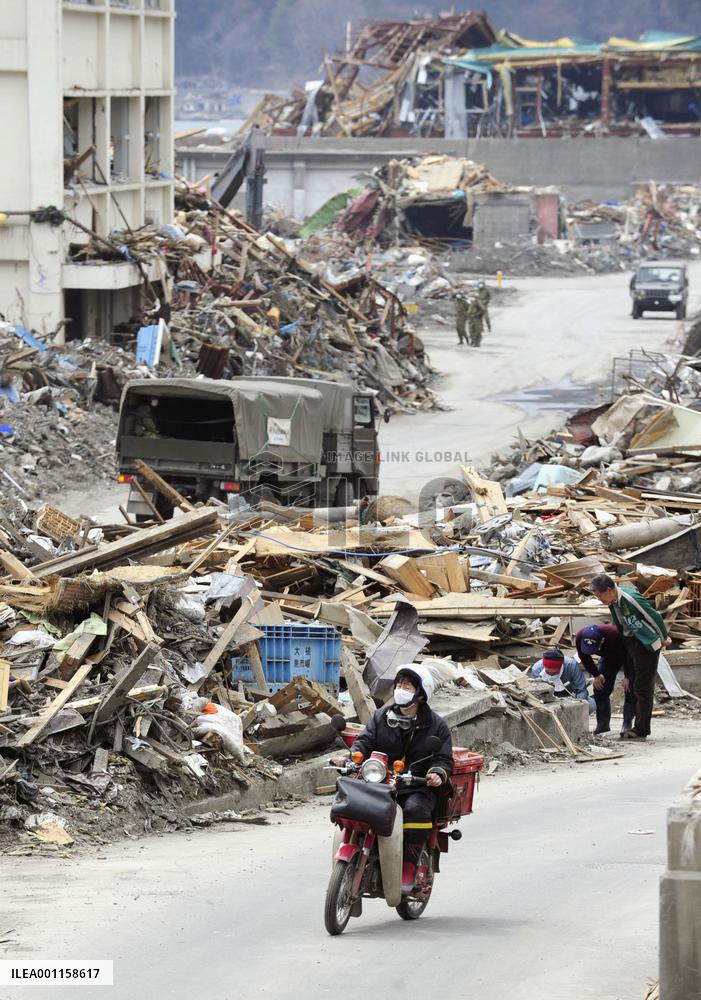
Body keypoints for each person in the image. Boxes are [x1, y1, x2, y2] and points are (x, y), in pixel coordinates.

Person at [336, 663, 453, 891]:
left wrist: (436, 773)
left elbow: (443, 759)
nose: (400, 689)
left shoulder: (436, 726)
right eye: (399, 684)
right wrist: (350, 756)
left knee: (416, 810)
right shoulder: (382, 716)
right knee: (354, 802)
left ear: (420, 693)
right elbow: (364, 741)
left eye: (407, 686)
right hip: (380, 780)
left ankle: (408, 866)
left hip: (416, 785)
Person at [589, 574, 670, 740]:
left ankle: (641, 729)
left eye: (599, 595)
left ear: (609, 590)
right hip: (631, 642)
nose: (599, 599)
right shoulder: (613, 602)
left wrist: (663, 638)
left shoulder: (630, 599)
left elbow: (654, 616)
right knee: (634, 685)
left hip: (646, 644)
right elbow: (620, 625)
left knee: (642, 687)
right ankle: (637, 726)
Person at [576, 623, 635, 736]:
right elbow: (584, 657)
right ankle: (603, 725)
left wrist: (628, 676)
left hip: (627, 656)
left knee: (629, 688)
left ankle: (627, 724)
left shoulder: (614, 634)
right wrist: (596, 675)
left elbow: (629, 655)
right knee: (600, 687)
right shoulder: (580, 637)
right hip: (608, 658)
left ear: (602, 640)